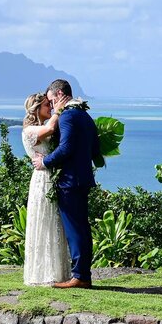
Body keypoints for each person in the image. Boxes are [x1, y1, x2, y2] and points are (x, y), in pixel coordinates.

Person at [32, 79, 99, 289]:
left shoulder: (68, 116)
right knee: (82, 228)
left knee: (75, 230)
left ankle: (79, 276)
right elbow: (95, 148)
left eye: (52, 101)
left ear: (60, 94)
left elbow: (66, 148)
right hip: (83, 177)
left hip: (70, 181)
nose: (52, 107)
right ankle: (83, 274)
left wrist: (45, 161)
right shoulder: (85, 115)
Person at [21, 93, 71, 286]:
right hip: (42, 178)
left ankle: (57, 272)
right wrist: (59, 109)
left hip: (51, 176)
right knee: (44, 220)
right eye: (46, 105)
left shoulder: (41, 126)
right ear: (35, 109)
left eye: (50, 105)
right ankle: (43, 273)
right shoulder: (29, 130)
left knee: (54, 222)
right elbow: (50, 128)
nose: (49, 108)